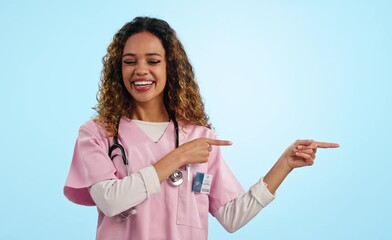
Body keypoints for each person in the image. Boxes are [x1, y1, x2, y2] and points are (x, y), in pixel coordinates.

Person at [63, 16, 339, 240]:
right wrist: (179, 157)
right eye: (130, 61)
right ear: (118, 69)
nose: (141, 70)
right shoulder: (98, 134)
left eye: (153, 61)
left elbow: (231, 217)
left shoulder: (199, 137)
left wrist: (284, 164)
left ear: (171, 67)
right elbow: (110, 201)